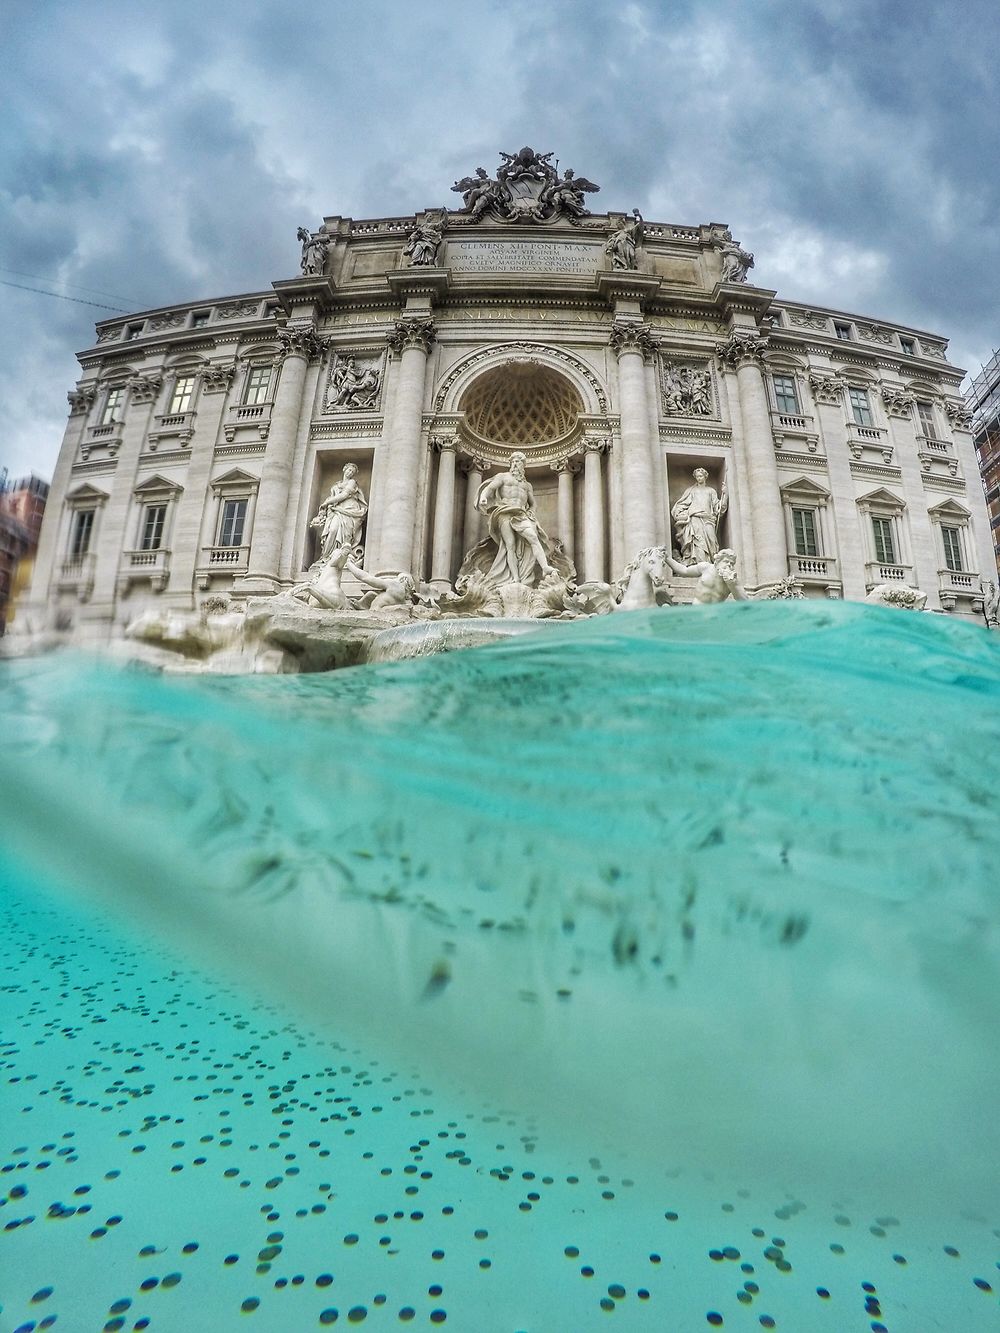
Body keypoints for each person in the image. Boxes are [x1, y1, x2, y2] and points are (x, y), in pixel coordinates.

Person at [475, 451, 555, 586]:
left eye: (518, 461)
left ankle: (545, 567)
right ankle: (516, 578)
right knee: (510, 545)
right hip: (504, 512)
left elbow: (533, 504)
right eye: (513, 462)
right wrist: (483, 497)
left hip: (521, 513)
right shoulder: (503, 477)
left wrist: (531, 514)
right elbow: (490, 488)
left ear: (523, 465)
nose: (515, 464)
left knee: (533, 538)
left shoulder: (527, 485)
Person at [310, 464, 368, 560]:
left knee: (346, 534)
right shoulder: (336, 485)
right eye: (349, 470)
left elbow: (344, 495)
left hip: (350, 508)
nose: (350, 473)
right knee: (332, 530)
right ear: (344, 469)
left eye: (352, 472)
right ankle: (327, 557)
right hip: (337, 510)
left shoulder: (352, 482)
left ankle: (342, 558)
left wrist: (327, 502)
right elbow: (333, 498)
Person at [671, 468, 727, 565]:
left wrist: (725, 494)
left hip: (708, 520)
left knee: (712, 541)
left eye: (700, 476)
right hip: (695, 519)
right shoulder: (691, 491)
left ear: (705, 477)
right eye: (697, 477)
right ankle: (698, 564)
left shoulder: (711, 491)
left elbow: (718, 507)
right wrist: (682, 513)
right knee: (697, 542)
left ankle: (710, 563)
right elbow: (681, 505)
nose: (699, 478)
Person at [664, 548, 747, 604]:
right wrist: (667, 558)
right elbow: (684, 571)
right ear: (718, 561)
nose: (729, 565)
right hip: (697, 610)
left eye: (732, 563)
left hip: (715, 616)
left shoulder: (733, 579)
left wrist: (732, 585)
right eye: (726, 561)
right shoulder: (705, 568)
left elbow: (744, 601)